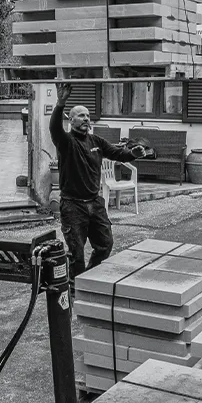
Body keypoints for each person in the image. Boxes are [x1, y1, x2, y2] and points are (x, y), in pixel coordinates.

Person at [49, 84, 144, 289]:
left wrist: (132, 154)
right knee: (76, 253)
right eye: (81, 115)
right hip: (73, 206)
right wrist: (60, 103)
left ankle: (88, 280)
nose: (85, 119)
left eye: (88, 116)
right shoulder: (65, 142)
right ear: (71, 120)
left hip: (94, 202)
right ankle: (75, 288)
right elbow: (54, 128)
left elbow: (117, 154)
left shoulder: (96, 141)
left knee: (105, 245)